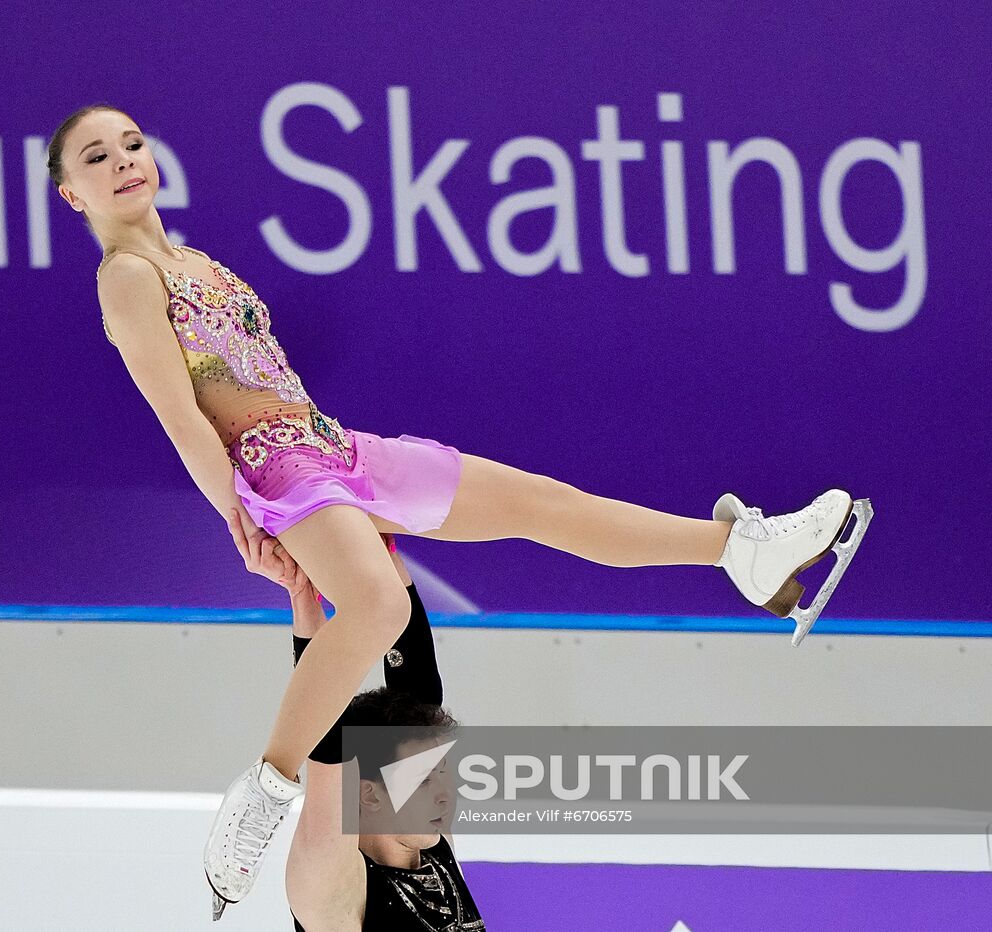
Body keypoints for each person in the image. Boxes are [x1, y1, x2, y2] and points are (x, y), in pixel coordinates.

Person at [45, 104, 872, 915]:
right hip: (279, 471)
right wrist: (241, 516)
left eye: (132, 145)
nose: (124, 162)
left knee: (540, 504)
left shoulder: (196, 259)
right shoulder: (126, 277)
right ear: (72, 195)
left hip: (334, 447)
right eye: (97, 158)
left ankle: (737, 551)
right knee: (373, 605)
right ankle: (264, 792)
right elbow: (182, 418)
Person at [229, 516, 484, 930]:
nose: (445, 796)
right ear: (367, 794)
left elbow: (418, 692)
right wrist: (301, 595)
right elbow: (329, 744)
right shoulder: (334, 886)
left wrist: (380, 542)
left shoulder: (433, 849)